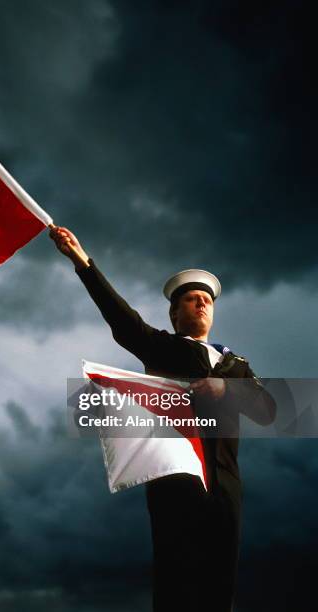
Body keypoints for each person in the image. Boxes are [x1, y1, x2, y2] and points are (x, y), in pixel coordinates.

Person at [49, 226, 276, 612]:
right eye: (191, 300)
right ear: (175, 313)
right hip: (178, 480)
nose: (201, 304)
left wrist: (227, 391)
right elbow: (121, 319)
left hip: (226, 484)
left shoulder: (236, 364)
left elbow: (269, 411)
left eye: (206, 299)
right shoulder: (162, 347)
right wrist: (82, 261)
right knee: (178, 579)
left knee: (220, 585)